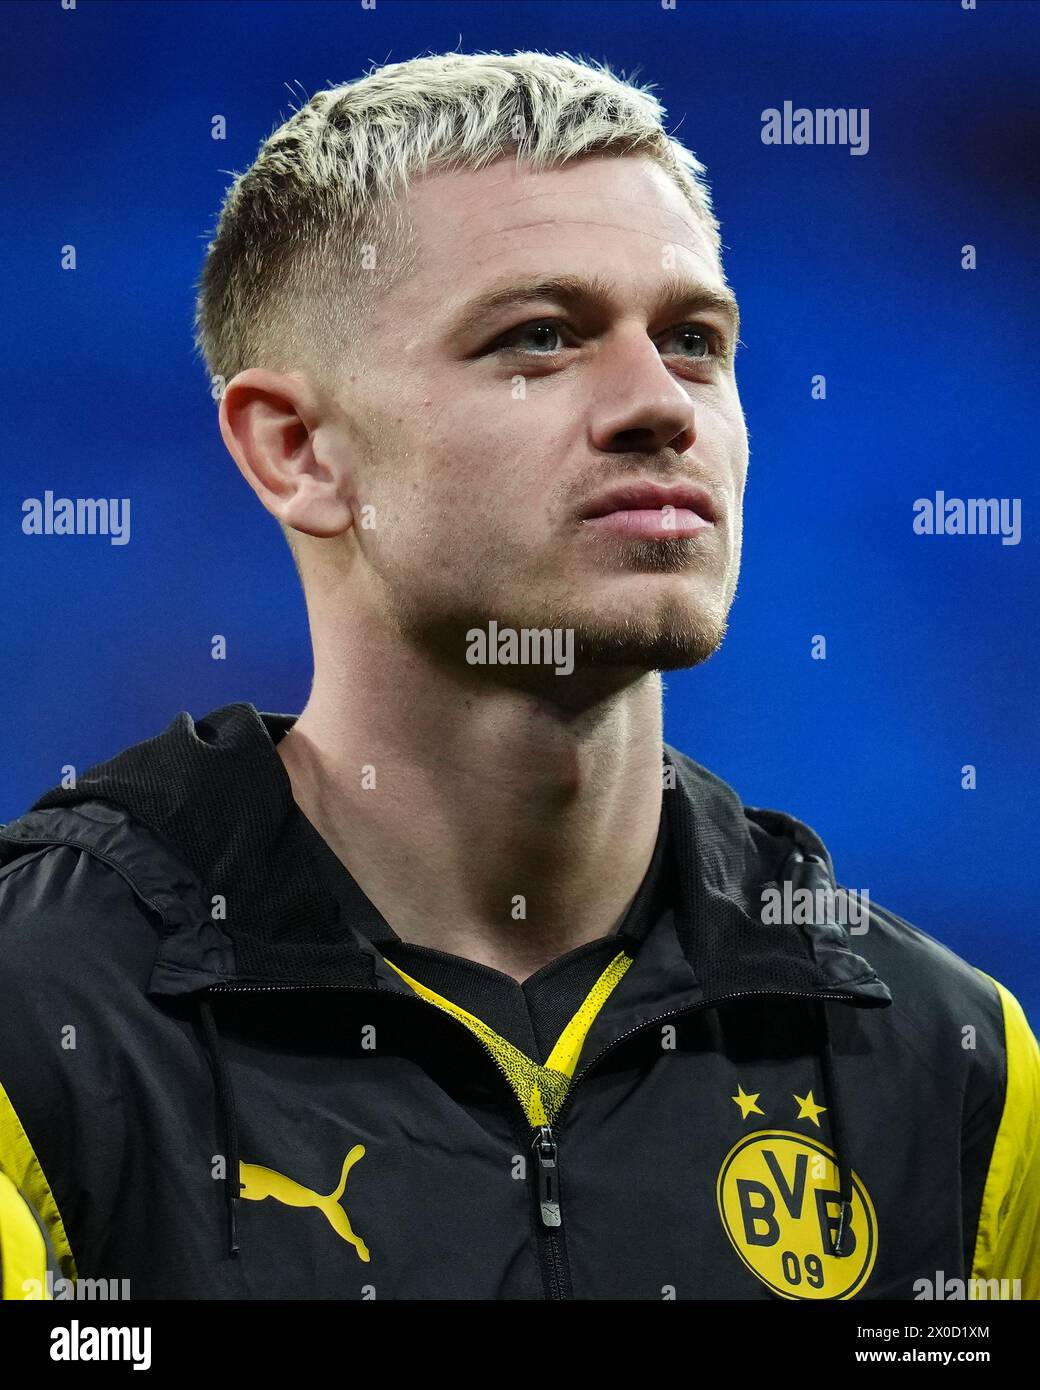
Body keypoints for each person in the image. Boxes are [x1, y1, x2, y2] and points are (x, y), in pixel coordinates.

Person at [1, 50, 1037, 1302]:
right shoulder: (42, 1017)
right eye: (539, 339)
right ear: (297, 451)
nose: (660, 406)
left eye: (695, 342)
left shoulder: (949, 1060)